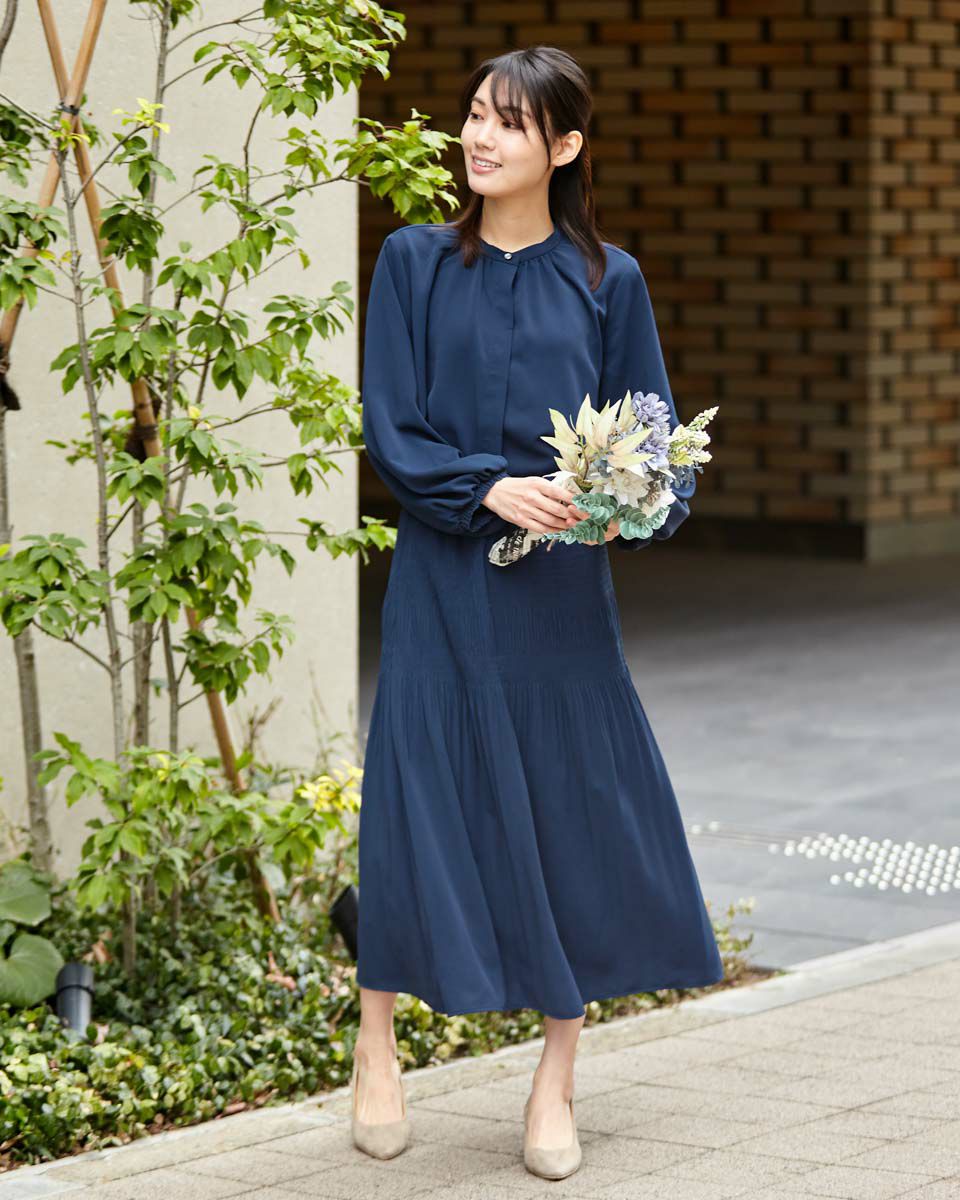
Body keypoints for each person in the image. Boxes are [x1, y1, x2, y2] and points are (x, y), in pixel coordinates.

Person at [351, 45, 724, 1180]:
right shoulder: (413, 262)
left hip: (561, 592)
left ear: (564, 146)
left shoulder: (611, 280)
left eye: (508, 123)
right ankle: (375, 1043)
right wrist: (485, 488)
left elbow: (655, 434)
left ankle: (557, 1074)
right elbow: (392, 428)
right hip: (440, 580)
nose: (479, 136)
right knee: (419, 795)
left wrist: (632, 509)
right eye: (474, 114)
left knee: (573, 810)